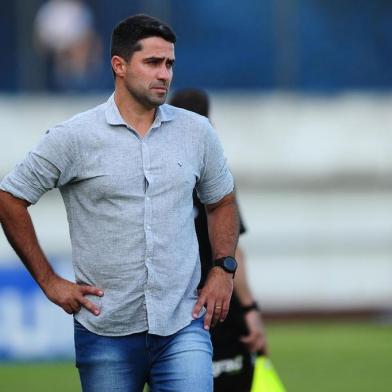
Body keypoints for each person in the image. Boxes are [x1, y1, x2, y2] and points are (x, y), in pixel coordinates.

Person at [0, 15, 239, 392]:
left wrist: (224, 268)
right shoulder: (74, 137)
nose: (165, 74)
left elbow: (222, 201)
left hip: (182, 324)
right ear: (119, 65)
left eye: (170, 64)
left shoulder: (197, 132)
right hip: (105, 330)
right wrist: (49, 282)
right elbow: (10, 197)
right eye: (153, 63)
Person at [170, 88, 267, 392]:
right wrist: (250, 311)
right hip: (219, 309)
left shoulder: (156, 174)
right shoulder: (217, 176)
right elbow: (235, 250)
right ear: (210, 125)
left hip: (174, 311)